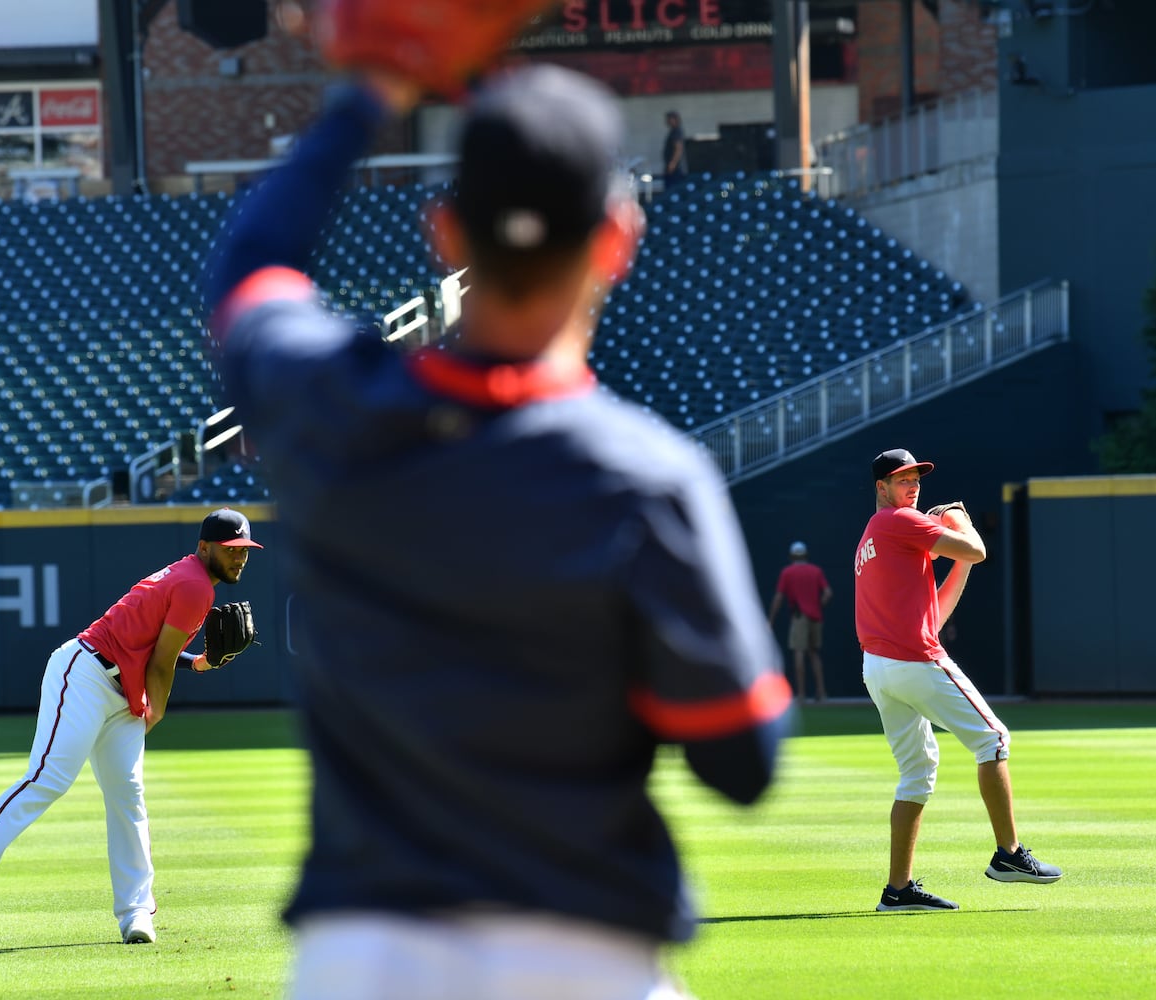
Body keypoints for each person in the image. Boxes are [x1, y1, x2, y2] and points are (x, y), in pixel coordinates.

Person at [201, 64, 792, 1000]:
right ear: (617, 239)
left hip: (361, 963)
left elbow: (249, 275)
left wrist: (365, 99)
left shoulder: (329, 412)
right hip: (583, 957)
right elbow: (740, 759)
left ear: (446, 233)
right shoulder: (647, 479)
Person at [0, 508, 263, 943]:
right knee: (47, 778)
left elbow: (156, 650)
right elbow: (159, 664)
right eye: (230, 549)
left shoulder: (189, 577)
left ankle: (136, 912)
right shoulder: (196, 585)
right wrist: (155, 713)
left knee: (128, 796)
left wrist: (200, 663)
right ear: (205, 547)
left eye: (245, 551)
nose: (239, 558)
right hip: (85, 674)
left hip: (122, 687)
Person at [854, 448, 1062, 912]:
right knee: (994, 739)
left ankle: (898, 890)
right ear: (881, 488)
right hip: (911, 662)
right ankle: (1009, 856)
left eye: (916, 478)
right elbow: (979, 548)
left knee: (916, 774)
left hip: (880, 667)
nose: (912, 486)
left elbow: (937, 612)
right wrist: (955, 519)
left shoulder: (878, 532)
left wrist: (957, 557)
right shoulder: (899, 521)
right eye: (901, 478)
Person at [767, 541, 832, 703]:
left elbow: (779, 597)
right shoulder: (816, 571)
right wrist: (817, 605)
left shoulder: (787, 572)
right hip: (816, 617)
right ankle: (821, 693)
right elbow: (828, 593)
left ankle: (802, 695)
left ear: (792, 556)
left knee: (799, 652)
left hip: (799, 617)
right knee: (814, 653)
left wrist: (770, 620)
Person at [662, 110, 688, 188]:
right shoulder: (673, 131)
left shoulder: (676, 132)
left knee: (673, 186)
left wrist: (673, 163)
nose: (667, 121)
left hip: (676, 168)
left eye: (669, 119)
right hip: (673, 166)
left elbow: (678, 149)